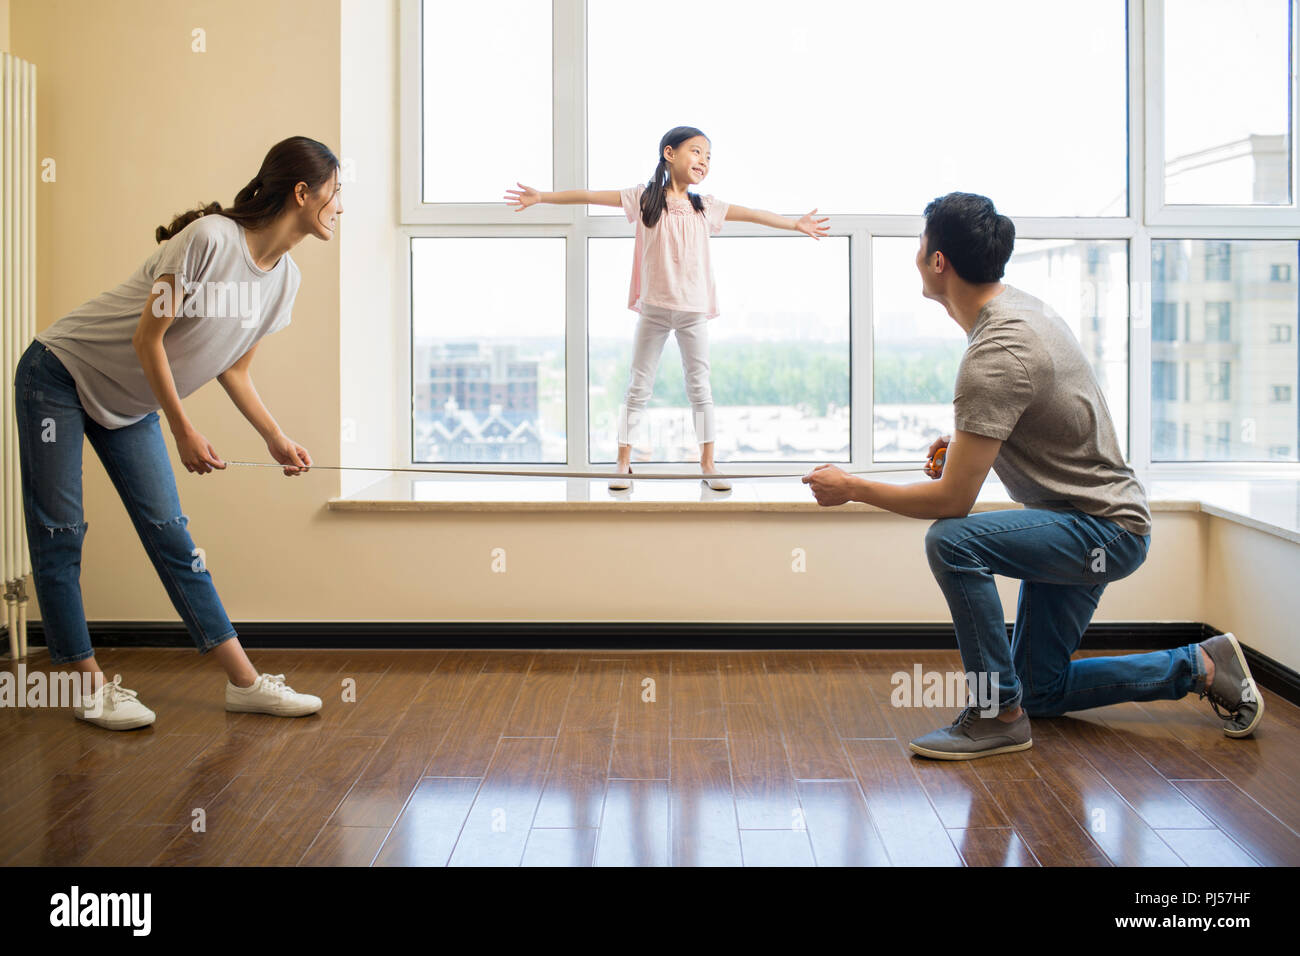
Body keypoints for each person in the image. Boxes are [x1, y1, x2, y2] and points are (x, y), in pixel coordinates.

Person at [802, 191, 1263, 759]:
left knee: (951, 542)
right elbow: (1041, 415)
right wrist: (974, 441)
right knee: (1042, 689)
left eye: (920, 245)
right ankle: (1203, 665)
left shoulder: (998, 350)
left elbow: (952, 502)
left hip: (1101, 529)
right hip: (1087, 518)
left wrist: (852, 489)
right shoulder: (1019, 310)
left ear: (938, 261)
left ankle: (995, 715)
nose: (917, 255)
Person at [14, 135, 340, 730]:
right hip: (58, 375)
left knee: (171, 536)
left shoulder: (284, 280)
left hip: (129, 400)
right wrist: (184, 431)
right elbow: (148, 338)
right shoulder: (209, 240)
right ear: (302, 192)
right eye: (334, 192)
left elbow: (234, 367)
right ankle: (91, 688)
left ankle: (244, 684)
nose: (338, 206)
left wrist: (274, 436)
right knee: (60, 532)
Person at [506, 125, 828, 491]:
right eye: (696, 151)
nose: (703, 161)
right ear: (670, 154)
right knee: (637, 387)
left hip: (693, 310)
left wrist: (794, 223)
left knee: (700, 389)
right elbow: (590, 195)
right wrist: (542, 196)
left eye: (708, 156)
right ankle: (622, 464)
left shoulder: (705, 206)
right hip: (655, 309)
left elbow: (753, 213)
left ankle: (708, 464)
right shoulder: (645, 198)